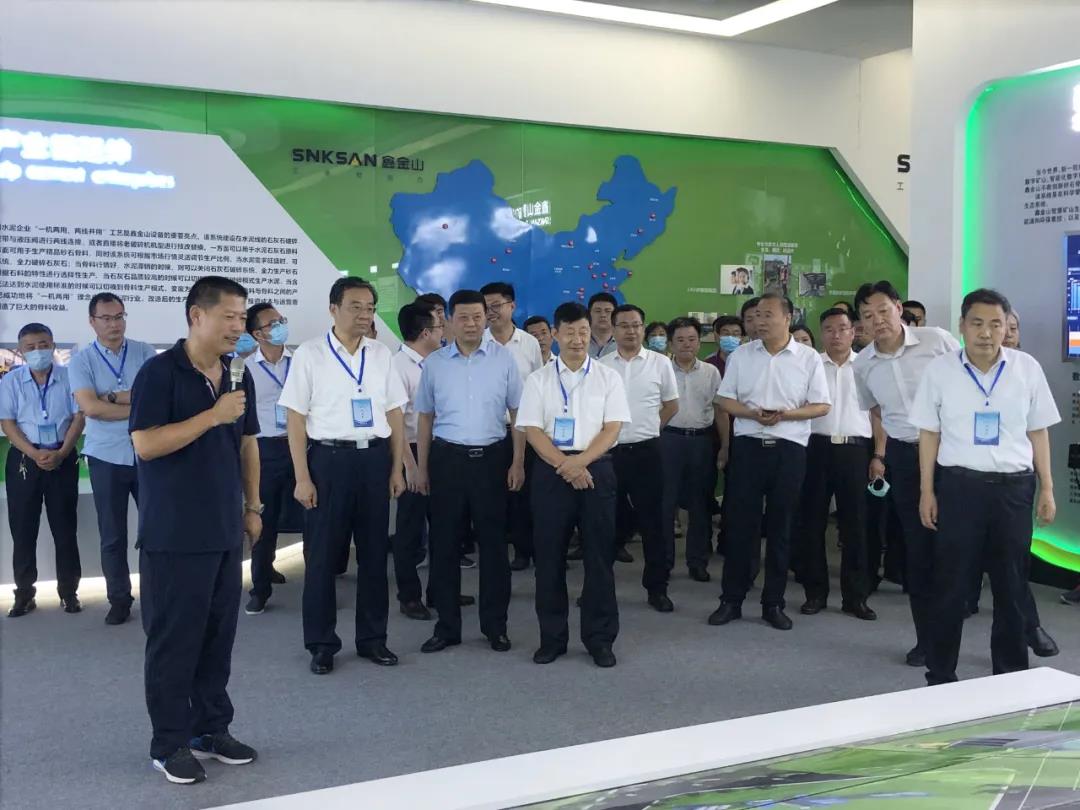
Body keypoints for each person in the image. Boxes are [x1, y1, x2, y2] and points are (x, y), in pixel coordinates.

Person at [128, 276, 261, 784]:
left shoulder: (237, 374)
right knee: (173, 642)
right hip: (175, 534)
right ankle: (168, 744)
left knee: (217, 638)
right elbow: (146, 444)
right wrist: (212, 416)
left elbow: (247, 443)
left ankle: (211, 729)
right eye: (228, 316)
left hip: (224, 529)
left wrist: (253, 505)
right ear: (196, 316)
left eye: (242, 317)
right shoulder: (159, 373)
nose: (238, 326)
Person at [911, 289, 1060, 685]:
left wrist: (1047, 488)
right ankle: (940, 674)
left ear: (1007, 327)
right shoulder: (940, 370)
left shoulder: (1026, 368)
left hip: (1013, 490)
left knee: (1011, 586)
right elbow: (928, 433)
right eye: (977, 323)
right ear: (962, 326)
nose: (987, 332)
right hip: (960, 488)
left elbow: (1038, 431)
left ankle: (1008, 678)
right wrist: (927, 491)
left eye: (996, 324)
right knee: (951, 585)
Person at [278, 277, 407, 676]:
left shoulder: (380, 354)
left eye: (370, 308)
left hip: (374, 460)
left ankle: (373, 639)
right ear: (333, 309)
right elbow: (295, 419)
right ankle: (321, 644)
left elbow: (395, 413)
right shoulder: (310, 354)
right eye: (355, 306)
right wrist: (302, 477)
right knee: (321, 557)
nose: (364, 315)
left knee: (373, 555)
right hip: (328, 461)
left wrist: (396, 467)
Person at [852, 280, 960, 667]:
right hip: (904, 456)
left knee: (959, 544)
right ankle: (926, 640)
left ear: (899, 308)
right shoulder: (863, 363)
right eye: (867, 315)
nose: (877, 320)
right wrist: (885, 451)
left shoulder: (937, 341)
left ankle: (969, 627)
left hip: (951, 452)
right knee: (919, 547)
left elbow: (968, 381)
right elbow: (874, 409)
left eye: (883, 310)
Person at [516, 302, 631, 667]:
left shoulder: (608, 377)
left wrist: (580, 463)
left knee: (599, 557)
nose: (578, 339)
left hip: (596, 469)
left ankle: (600, 639)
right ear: (555, 334)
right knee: (549, 558)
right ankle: (552, 639)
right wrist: (565, 465)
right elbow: (533, 430)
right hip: (552, 472)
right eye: (570, 332)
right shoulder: (538, 380)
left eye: (583, 332)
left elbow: (612, 428)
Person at [709, 293, 831, 631]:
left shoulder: (808, 357)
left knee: (782, 527)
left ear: (787, 318)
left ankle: (773, 603)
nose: (760, 321)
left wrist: (785, 415)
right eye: (757, 315)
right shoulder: (742, 355)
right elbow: (724, 400)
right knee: (740, 526)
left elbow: (821, 405)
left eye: (768, 315)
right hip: (749, 447)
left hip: (789, 450)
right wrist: (752, 413)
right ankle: (731, 600)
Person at [414, 289, 524, 654]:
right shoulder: (435, 363)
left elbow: (517, 414)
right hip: (447, 460)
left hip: (493, 460)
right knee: (444, 545)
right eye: (463, 317)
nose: (472, 323)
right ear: (448, 320)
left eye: (478, 316)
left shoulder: (504, 359)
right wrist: (422, 468)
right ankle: (447, 627)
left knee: (494, 547)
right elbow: (425, 417)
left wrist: (518, 461)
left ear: (486, 318)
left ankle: (496, 627)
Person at [68, 293, 156, 624]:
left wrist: (113, 398)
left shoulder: (144, 352)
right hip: (105, 457)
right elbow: (91, 408)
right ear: (92, 321)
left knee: (155, 529)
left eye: (119, 316)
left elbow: (156, 397)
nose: (114, 324)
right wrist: (135, 405)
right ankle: (119, 599)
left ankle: (157, 594)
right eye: (106, 318)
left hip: (148, 452)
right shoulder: (81, 361)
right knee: (113, 534)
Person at [1, 323, 85, 617]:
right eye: (31, 347)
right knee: (23, 529)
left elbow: (79, 417)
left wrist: (61, 452)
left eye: (43, 345)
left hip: (63, 456)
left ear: (52, 345)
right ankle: (24, 594)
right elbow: (8, 423)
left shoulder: (70, 376)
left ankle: (69, 593)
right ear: (21, 351)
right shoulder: (11, 381)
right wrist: (34, 452)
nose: (38, 351)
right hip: (25, 460)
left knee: (65, 528)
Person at [797, 307, 876, 621]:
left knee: (856, 526)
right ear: (821, 333)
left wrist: (879, 456)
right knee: (811, 523)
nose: (836, 335)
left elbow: (879, 415)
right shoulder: (810, 365)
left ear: (853, 332)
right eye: (829, 329)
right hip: (815, 448)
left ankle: (855, 597)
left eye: (842, 328)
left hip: (856, 451)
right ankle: (815, 593)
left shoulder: (868, 366)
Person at [601, 304, 679, 611]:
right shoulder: (602, 365)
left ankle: (657, 588)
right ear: (614, 330)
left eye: (636, 325)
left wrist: (651, 427)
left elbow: (671, 405)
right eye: (624, 325)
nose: (631, 331)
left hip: (648, 452)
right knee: (606, 522)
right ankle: (598, 587)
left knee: (654, 523)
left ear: (643, 328)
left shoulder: (660, 363)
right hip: (610, 454)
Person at [482, 282, 543, 572]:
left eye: (496, 305)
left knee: (524, 493)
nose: (490, 312)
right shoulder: (478, 342)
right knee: (494, 495)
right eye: (486, 307)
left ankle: (525, 550)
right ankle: (497, 552)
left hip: (524, 431)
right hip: (489, 433)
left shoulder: (529, 344)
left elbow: (540, 386)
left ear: (512, 306)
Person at [389, 302, 443, 622]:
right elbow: (396, 421)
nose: (442, 332)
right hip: (409, 449)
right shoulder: (398, 366)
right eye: (438, 327)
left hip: (439, 450)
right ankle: (409, 596)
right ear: (425, 333)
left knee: (443, 526)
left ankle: (440, 591)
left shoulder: (437, 362)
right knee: (410, 529)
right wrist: (409, 465)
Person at [662, 317, 726, 583]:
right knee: (665, 504)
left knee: (700, 504)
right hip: (669, 441)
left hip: (702, 442)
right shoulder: (662, 370)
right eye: (680, 340)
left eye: (691, 339)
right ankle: (663, 562)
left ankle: (697, 561)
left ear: (700, 342)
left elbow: (720, 411)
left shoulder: (711, 372)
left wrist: (725, 446)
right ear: (671, 344)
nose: (686, 344)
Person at [241, 302, 295, 615]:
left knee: (311, 516)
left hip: (301, 447)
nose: (280, 326)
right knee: (264, 518)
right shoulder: (244, 368)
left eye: (281, 320)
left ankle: (319, 584)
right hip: (264, 450)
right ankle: (260, 587)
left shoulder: (300, 362)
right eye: (272, 323)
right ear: (257, 334)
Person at [587, 292, 618, 359]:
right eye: (598, 311)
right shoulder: (579, 341)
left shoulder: (623, 343)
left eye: (608, 311)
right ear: (589, 314)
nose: (603, 315)